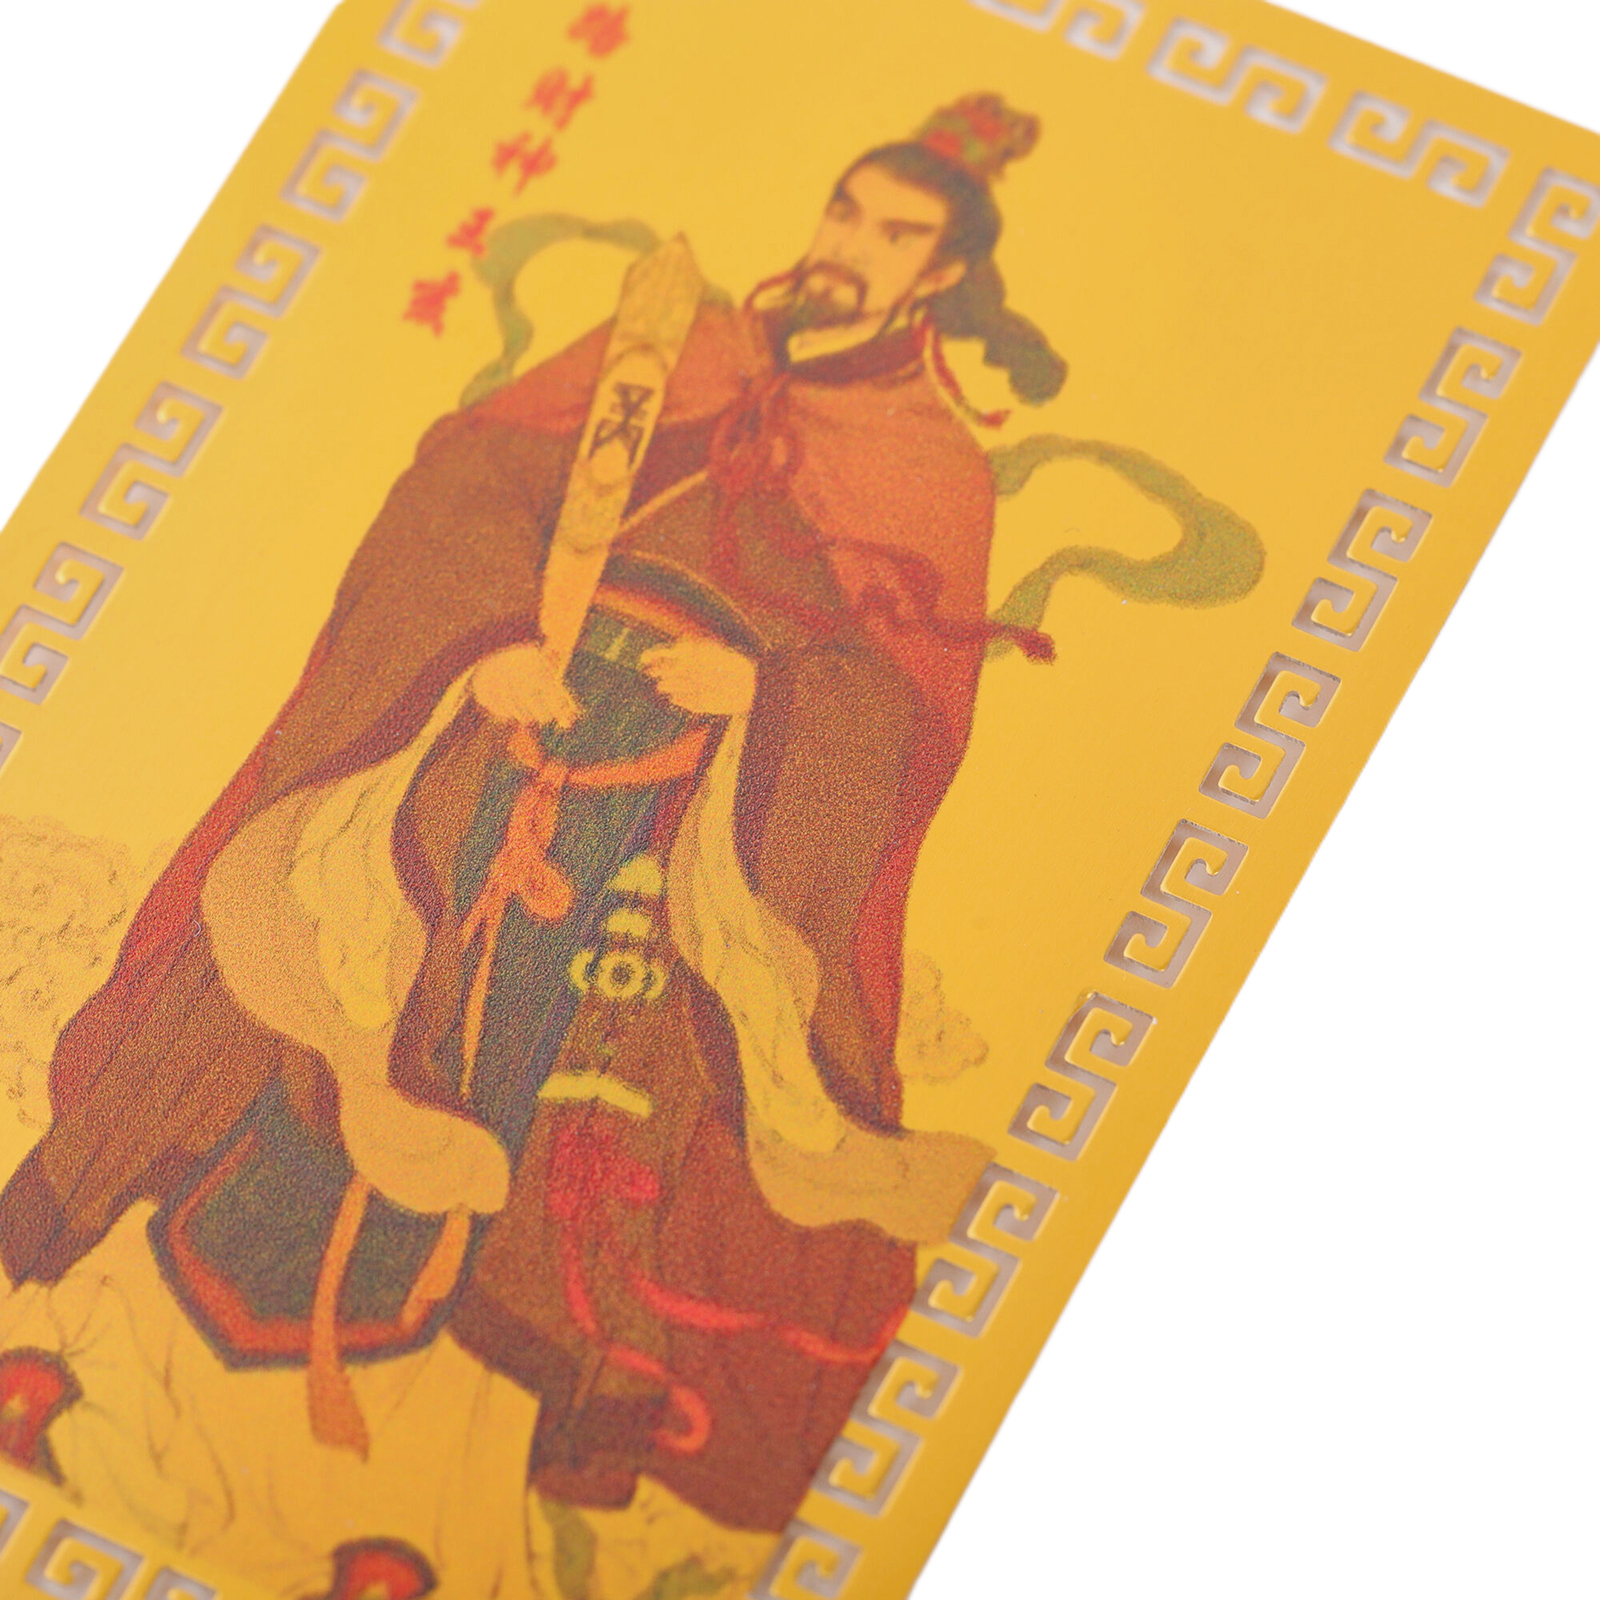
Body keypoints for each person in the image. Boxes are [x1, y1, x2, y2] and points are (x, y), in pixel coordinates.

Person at [0, 95, 1066, 1597]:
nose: (852, 248)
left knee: (575, 1102)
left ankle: (431, 1457)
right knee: (333, 972)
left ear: (942, 276)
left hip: (682, 818)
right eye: (846, 211)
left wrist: (763, 693)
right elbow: (459, 484)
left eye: (896, 236)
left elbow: (907, 713)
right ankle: (122, 1341)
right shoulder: (674, 346)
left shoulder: (925, 463)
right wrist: (485, 643)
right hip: (473, 734)